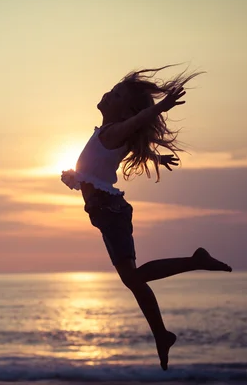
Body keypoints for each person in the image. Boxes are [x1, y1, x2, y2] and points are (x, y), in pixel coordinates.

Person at [61, 65, 232, 371]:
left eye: (116, 94)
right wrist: (155, 157)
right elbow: (104, 160)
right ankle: (162, 335)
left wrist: (160, 108)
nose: (108, 93)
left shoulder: (113, 131)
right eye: (112, 90)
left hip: (109, 212)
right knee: (135, 281)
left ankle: (194, 263)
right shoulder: (108, 135)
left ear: (125, 112)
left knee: (134, 279)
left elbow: (137, 122)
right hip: (105, 212)